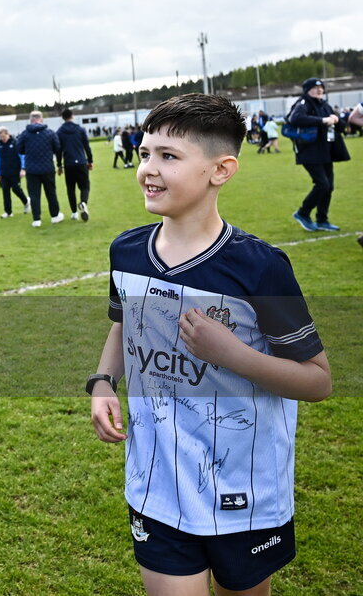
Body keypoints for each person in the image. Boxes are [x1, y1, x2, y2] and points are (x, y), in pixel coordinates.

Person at [90, 93, 331, 596]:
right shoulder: (127, 251)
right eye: (144, 153)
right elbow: (122, 324)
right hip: (156, 482)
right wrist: (102, 383)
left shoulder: (260, 267)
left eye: (169, 157)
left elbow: (317, 380)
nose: (148, 169)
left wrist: (232, 355)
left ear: (221, 170)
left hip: (243, 488)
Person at [287, 78, 348, 232]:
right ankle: (302, 213)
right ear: (307, 90)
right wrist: (323, 120)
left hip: (326, 152)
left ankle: (322, 219)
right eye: (315, 88)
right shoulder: (303, 103)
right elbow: (295, 118)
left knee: (329, 187)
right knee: (322, 184)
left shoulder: (324, 105)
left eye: (321, 88)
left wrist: (336, 119)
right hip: (309, 152)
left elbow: (341, 127)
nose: (319, 90)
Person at [16, 111, 62, 227]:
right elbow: (57, 148)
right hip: (47, 168)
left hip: (31, 169)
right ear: (41, 119)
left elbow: (19, 149)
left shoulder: (25, 134)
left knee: (34, 195)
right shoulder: (50, 133)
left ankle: (37, 219)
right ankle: (55, 216)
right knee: (51, 193)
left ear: (31, 120)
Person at [55, 108, 93, 221]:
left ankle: (74, 212)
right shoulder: (80, 129)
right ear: (72, 116)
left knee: (70, 189)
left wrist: (59, 165)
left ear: (63, 118)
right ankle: (83, 203)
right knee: (85, 186)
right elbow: (87, 147)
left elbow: (58, 150)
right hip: (81, 162)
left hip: (68, 163)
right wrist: (90, 160)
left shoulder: (60, 131)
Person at [0, 127, 28, 218]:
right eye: (0, 137)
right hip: (4, 172)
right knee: (5, 191)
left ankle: (26, 202)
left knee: (16, 189)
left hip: (15, 171)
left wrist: (23, 169)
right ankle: (8, 212)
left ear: (8, 134)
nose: (2, 138)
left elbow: (22, 157)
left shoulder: (15, 143)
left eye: (3, 136)